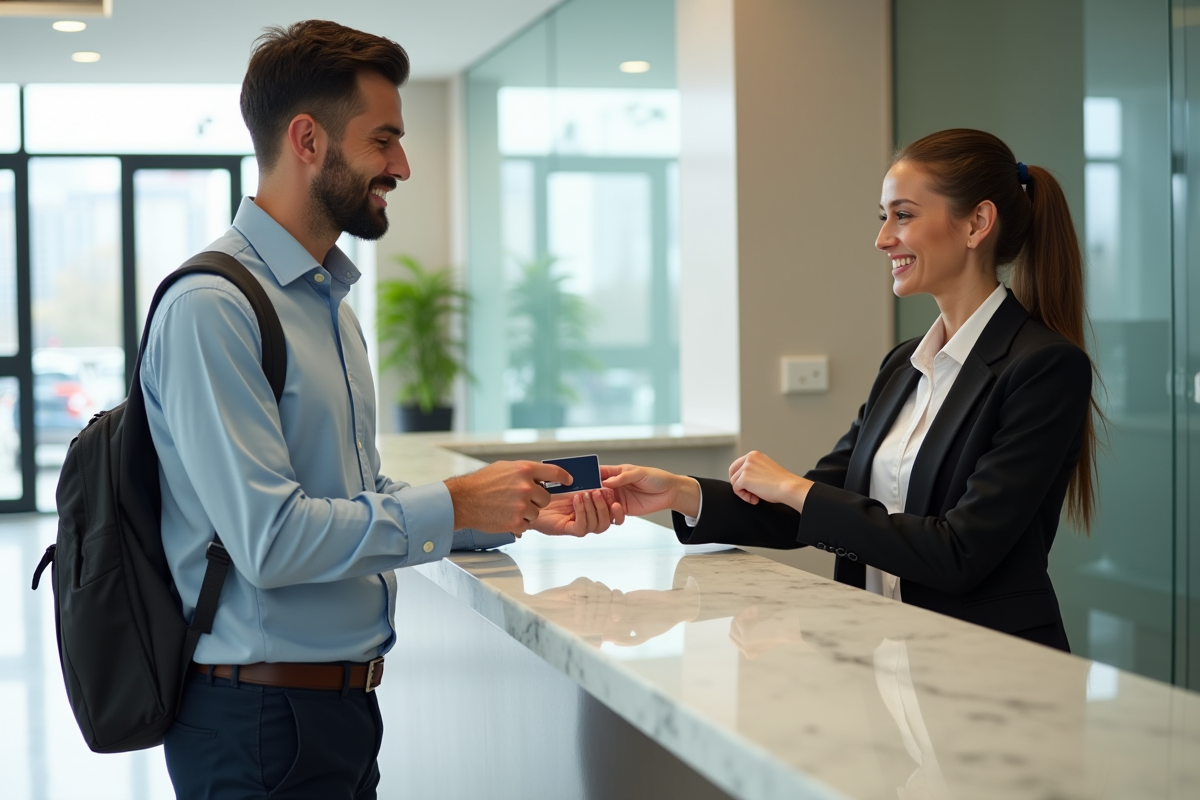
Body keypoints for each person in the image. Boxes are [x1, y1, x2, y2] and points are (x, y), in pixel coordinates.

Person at [144, 20, 623, 799]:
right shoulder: (214, 308)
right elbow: (271, 541)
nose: (401, 165)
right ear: (307, 139)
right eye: (384, 140)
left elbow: (348, 498)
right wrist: (456, 500)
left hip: (335, 711)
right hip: (257, 723)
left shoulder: (327, 304)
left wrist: (503, 510)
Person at [604, 128, 1099, 652]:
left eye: (903, 215)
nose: (883, 238)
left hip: (986, 668)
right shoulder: (902, 366)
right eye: (883, 216)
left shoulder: (1044, 367)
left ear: (977, 223)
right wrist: (681, 492)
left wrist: (795, 488)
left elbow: (959, 552)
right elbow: (820, 505)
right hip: (879, 661)